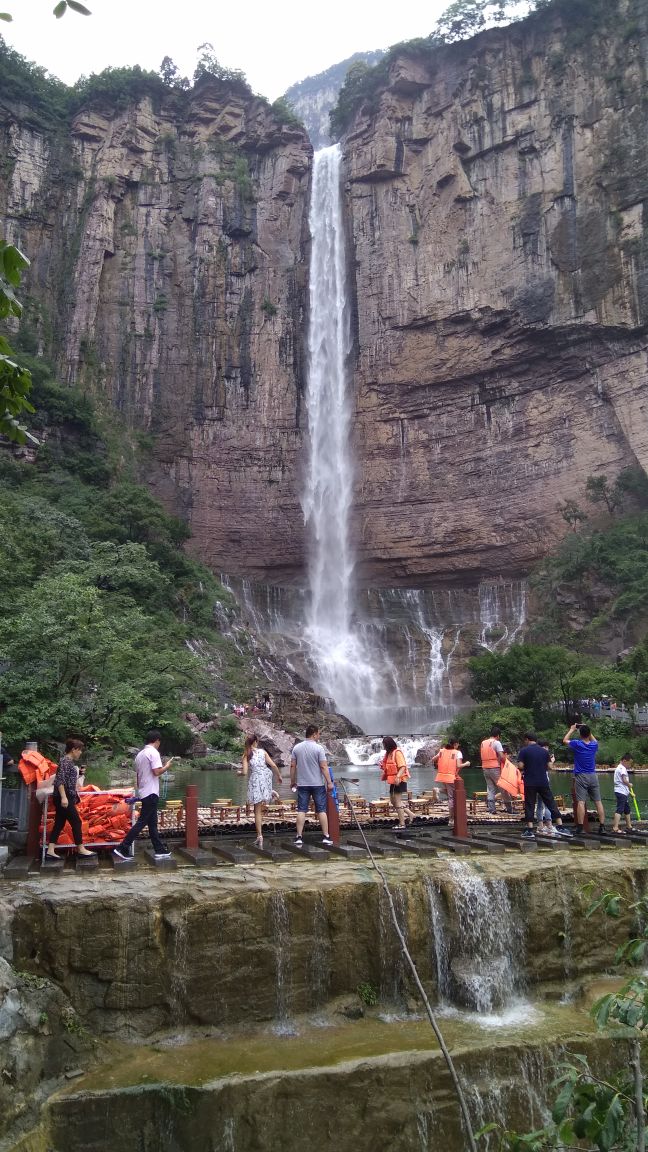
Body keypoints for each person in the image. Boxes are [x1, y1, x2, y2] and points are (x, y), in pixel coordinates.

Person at [113, 730, 175, 860]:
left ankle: (159, 850)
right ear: (157, 740)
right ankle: (122, 847)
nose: (159, 744)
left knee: (152, 823)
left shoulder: (140, 754)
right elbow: (157, 772)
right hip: (151, 792)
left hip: (144, 791)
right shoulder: (153, 753)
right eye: (159, 742)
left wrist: (139, 791)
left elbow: (138, 775)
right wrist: (167, 766)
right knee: (142, 822)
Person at [46, 738, 96, 859]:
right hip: (64, 797)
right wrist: (64, 797)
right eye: (79, 750)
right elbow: (60, 781)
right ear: (73, 750)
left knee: (59, 823)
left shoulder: (68, 762)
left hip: (64, 797)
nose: (80, 753)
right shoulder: (65, 761)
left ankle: (50, 850)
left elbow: (67, 778)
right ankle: (80, 848)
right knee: (76, 822)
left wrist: (80, 773)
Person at [518, 734, 571, 839]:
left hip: (530, 782)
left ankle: (530, 829)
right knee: (551, 803)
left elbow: (520, 766)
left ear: (527, 740)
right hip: (543, 781)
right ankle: (560, 826)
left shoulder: (524, 751)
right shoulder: (544, 751)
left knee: (530, 805)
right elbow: (550, 767)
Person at [290, 724, 334, 847]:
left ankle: (299, 837)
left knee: (301, 810)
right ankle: (326, 836)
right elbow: (323, 766)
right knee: (321, 810)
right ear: (314, 734)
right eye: (318, 734)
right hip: (317, 784)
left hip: (302, 784)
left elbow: (293, 766)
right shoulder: (319, 748)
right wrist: (329, 782)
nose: (319, 736)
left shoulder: (296, 748)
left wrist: (293, 781)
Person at [239, 734, 283, 848]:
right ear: (255, 742)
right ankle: (270, 792)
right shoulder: (262, 752)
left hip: (256, 780)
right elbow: (273, 765)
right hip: (266, 777)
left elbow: (244, 773)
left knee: (257, 811)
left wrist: (238, 773)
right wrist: (279, 776)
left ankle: (259, 836)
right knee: (264, 795)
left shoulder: (246, 755)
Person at [562, 722, 606, 835]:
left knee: (581, 802)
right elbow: (594, 739)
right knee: (598, 801)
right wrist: (587, 729)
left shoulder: (577, 744)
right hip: (593, 775)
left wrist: (572, 729)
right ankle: (602, 826)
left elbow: (565, 740)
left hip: (581, 775)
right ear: (589, 734)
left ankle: (580, 827)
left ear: (580, 734)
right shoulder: (594, 745)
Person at [381, 736, 415, 829]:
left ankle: (402, 824)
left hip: (399, 780)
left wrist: (398, 776)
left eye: (384, 745)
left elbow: (403, 766)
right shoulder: (389, 754)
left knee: (397, 801)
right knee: (393, 801)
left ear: (388, 745)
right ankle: (411, 814)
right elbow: (389, 767)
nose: (383, 746)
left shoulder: (397, 753)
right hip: (393, 781)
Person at [433, 739, 469, 825]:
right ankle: (451, 819)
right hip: (450, 776)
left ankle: (438, 790)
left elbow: (433, 759)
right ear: (455, 744)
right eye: (458, 744)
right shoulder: (457, 752)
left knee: (451, 792)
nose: (458, 745)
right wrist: (467, 763)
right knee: (451, 797)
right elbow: (458, 765)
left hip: (441, 775)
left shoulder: (442, 751)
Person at [480, 726, 510, 814]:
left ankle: (492, 810)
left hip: (485, 768)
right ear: (498, 735)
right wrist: (508, 764)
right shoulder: (496, 743)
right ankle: (509, 809)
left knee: (490, 789)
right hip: (494, 768)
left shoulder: (483, 742)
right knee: (503, 788)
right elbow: (501, 756)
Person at [534, 741, 555, 833]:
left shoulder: (535, 756)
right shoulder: (545, 756)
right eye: (546, 747)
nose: (547, 749)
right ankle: (549, 825)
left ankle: (540, 825)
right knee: (547, 804)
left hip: (535, 782)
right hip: (544, 782)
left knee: (539, 804)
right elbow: (550, 767)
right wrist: (552, 761)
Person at [612, 752, 633, 835]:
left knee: (627, 809)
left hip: (623, 791)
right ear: (624, 761)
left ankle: (629, 826)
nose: (630, 765)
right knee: (620, 809)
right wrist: (629, 784)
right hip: (621, 792)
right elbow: (624, 780)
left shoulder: (619, 768)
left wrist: (629, 792)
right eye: (629, 763)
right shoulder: (622, 768)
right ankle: (615, 827)